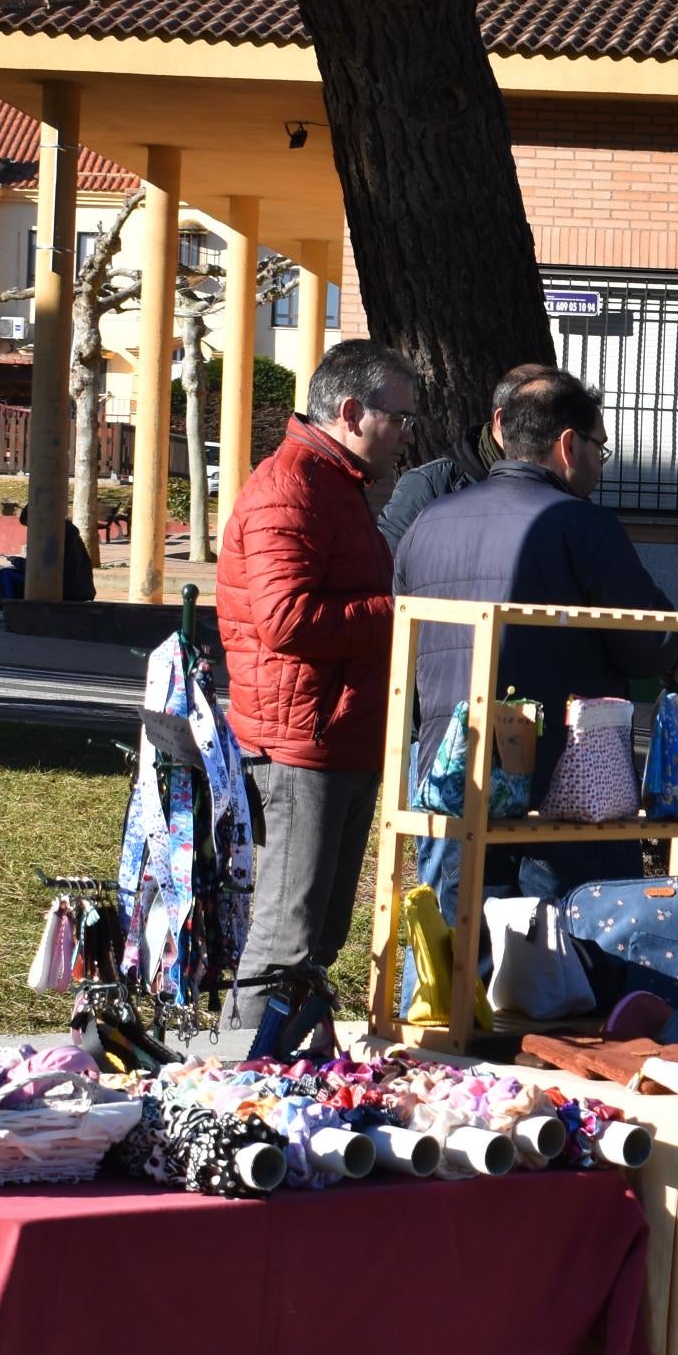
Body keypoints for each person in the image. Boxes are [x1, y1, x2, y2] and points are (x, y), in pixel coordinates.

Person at [395, 368, 678, 917]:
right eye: (600, 445)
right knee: (570, 968)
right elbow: (651, 644)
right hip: (566, 783)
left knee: (462, 960)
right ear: (568, 445)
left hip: (450, 773)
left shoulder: (427, 521)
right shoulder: (582, 525)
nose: (601, 461)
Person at [214, 339, 408, 1031]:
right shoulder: (290, 487)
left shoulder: (337, 485)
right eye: (401, 419)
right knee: (286, 936)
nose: (408, 435)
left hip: (339, 734)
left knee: (319, 936)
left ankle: (296, 1067)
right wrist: (403, 610)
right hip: (302, 742)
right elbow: (287, 619)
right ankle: (237, 1079)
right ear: (353, 412)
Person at [377, 360, 557, 551]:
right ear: (502, 420)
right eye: (540, 421)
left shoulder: (560, 484)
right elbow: (386, 565)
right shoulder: (429, 486)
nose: (554, 436)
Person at [0, 503, 95, 604]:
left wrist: (17, 562)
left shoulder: (53, 534)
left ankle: (9, 610)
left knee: (4, 574)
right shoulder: (67, 531)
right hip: (80, 589)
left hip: (65, 589)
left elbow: (42, 569)